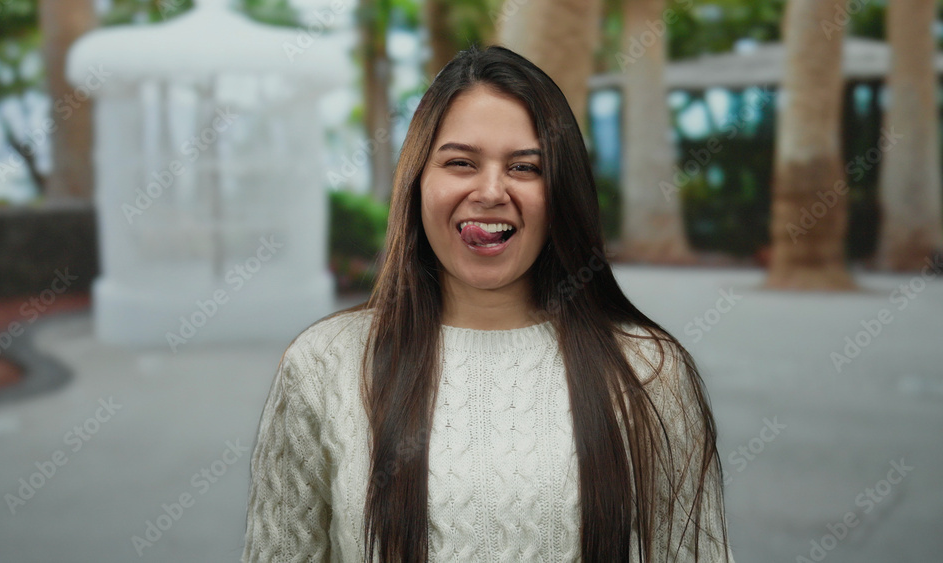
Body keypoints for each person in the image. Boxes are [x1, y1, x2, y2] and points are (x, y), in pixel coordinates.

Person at [242, 45, 736, 562]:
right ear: (417, 182)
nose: (491, 190)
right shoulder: (324, 364)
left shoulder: (648, 370)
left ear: (562, 191)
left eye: (524, 167)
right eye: (461, 162)